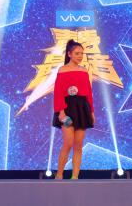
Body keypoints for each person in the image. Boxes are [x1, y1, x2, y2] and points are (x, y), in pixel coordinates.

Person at [52, 40, 95, 180]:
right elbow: (58, 93)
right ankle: (59, 175)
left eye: (82, 53)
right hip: (67, 109)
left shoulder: (84, 71)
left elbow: (88, 93)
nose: (80, 56)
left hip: (82, 110)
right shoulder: (62, 70)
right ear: (69, 54)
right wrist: (61, 112)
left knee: (78, 145)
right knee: (68, 142)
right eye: (77, 53)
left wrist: (92, 112)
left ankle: (75, 176)